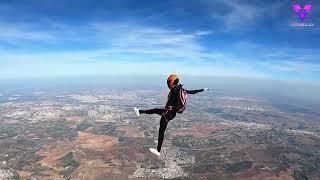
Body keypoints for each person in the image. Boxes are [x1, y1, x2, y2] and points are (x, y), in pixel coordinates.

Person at [133, 74, 209, 156]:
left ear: (171, 82)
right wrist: (203, 89)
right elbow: (192, 92)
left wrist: (169, 104)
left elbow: (171, 100)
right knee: (156, 112)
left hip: (167, 113)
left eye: (168, 82)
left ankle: (158, 150)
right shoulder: (181, 90)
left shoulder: (174, 90)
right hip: (171, 113)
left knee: (161, 130)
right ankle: (140, 112)